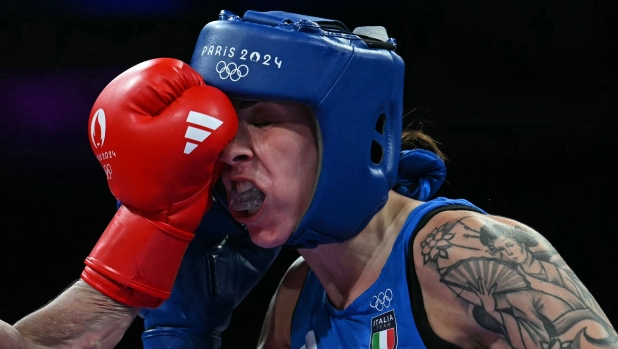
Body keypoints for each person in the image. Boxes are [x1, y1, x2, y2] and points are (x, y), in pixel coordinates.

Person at [0, 9, 615, 349]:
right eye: (218, 132)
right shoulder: (297, 302)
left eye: (263, 121)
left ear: (342, 134)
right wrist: (179, 332)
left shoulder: (470, 255)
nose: (227, 152)